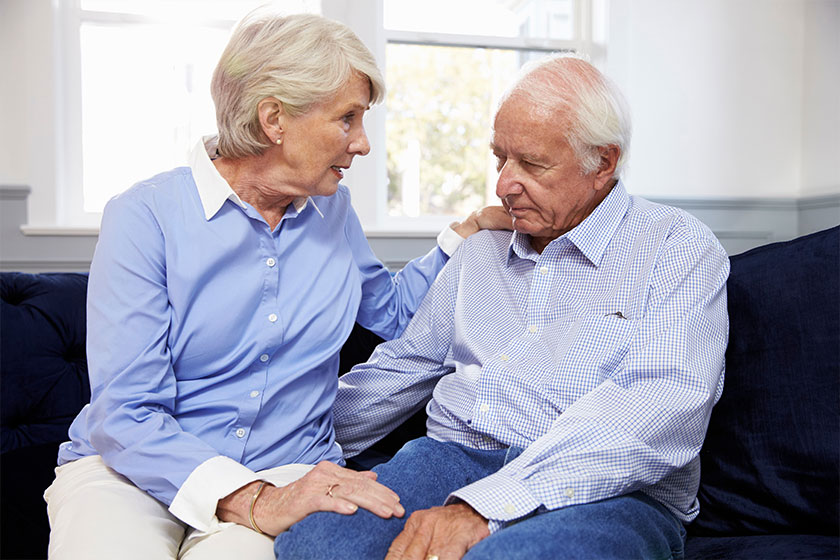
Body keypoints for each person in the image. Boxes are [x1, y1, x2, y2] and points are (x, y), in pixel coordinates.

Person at [44, 11, 510, 560]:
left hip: (286, 472)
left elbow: (391, 312)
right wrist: (253, 499)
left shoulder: (332, 211)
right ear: (274, 119)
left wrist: (464, 238)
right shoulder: (146, 216)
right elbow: (126, 413)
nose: (361, 143)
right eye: (347, 118)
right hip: (131, 474)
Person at [273, 53, 730, 560]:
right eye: (500, 159)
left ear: (603, 162)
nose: (503, 185)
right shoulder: (481, 252)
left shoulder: (678, 249)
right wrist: (273, 450)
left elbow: (665, 406)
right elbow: (403, 369)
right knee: (314, 546)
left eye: (532, 164)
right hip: (449, 458)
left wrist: (482, 508)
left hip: (607, 488)